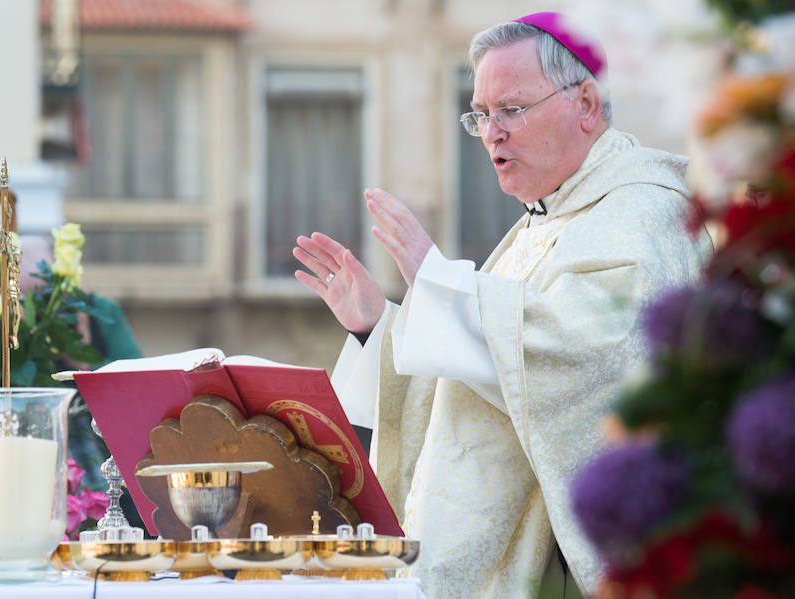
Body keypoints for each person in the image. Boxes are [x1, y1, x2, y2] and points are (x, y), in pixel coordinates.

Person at [293, 12, 712, 599]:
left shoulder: (641, 216)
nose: (492, 133)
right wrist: (379, 326)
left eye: (511, 109)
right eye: (481, 115)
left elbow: (590, 361)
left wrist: (438, 283)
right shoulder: (542, 223)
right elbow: (475, 382)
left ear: (586, 104)